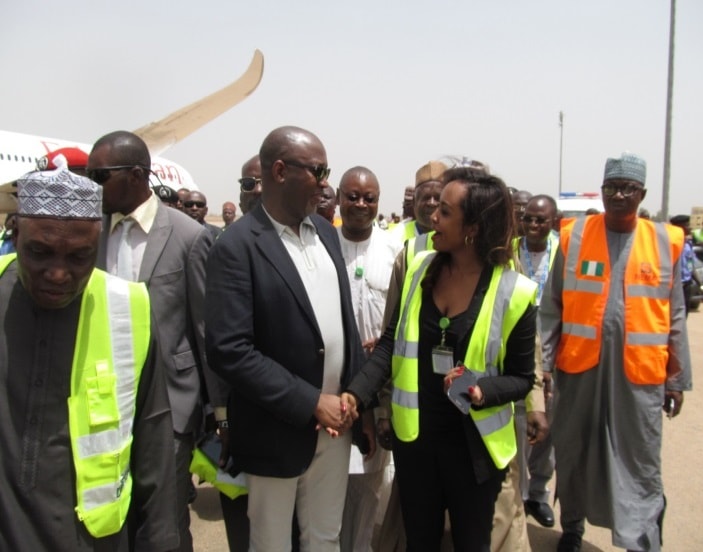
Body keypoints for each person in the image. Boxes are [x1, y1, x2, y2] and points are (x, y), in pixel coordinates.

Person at [343, 166, 537, 551]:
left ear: (474, 227)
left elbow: (521, 377)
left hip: (475, 453)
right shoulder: (418, 269)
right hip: (417, 446)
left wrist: (481, 390)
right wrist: (355, 396)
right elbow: (388, 345)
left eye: (445, 211)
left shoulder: (515, 291)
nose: (432, 216)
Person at [0, 162, 178, 551]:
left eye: (79, 257)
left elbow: (154, 442)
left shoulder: (126, 308)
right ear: (15, 234)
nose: (58, 274)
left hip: (89, 539)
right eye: (40, 252)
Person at [205, 125, 364, 552]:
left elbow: (342, 326)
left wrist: (350, 393)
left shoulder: (327, 234)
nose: (326, 182)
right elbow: (229, 350)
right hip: (276, 430)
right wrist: (311, 402)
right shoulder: (236, 246)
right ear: (279, 170)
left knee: (325, 538)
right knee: (271, 543)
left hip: (336, 429)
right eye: (318, 170)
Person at [540, 152, 691, 552]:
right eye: (612, 187)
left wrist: (676, 378)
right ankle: (572, 527)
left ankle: (642, 540)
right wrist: (543, 366)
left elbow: (675, 315)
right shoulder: (574, 236)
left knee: (640, 460)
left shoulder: (664, 242)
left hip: (638, 378)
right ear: (603, 191)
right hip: (578, 371)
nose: (619, 195)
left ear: (641, 193)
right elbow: (551, 306)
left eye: (627, 188)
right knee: (573, 449)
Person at [88, 130, 216, 552]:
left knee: (164, 526)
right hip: (105, 403)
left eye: (100, 175)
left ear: (138, 175)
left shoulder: (187, 237)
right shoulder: (92, 234)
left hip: (170, 406)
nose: (92, 183)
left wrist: (216, 411)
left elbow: (202, 330)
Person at [335, 166, 401, 552]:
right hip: (330, 384)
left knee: (368, 486)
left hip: (377, 389)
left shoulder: (393, 251)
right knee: (329, 484)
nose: (361, 204)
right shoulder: (322, 245)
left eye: (369, 197)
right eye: (353, 196)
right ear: (340, 197)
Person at [512, 194, 559, 529]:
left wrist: (552, 364)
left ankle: (538, 495)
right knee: (518, 430)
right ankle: (518, 494)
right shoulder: (510, 249)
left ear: (552, 221)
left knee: (546, 432)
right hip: (520, 353)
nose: (532, 225)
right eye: (527, 218)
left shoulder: (563, 253)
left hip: (553, 356)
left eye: (540, 220)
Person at [391, 161, 446, 244]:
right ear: (414, 202)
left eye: (438, 198)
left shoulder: (459, 240)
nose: (431, 203)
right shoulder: (394, 238)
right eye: (426, 197)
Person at [669, 214, 700, 317]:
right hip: (673, 285)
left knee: (684, 313)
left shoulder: (688, 244)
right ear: (679, 227)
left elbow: (690, 264)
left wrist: (699, 282)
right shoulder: (668, 242)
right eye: (687, 225)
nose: (690, 227)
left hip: (686, 285)